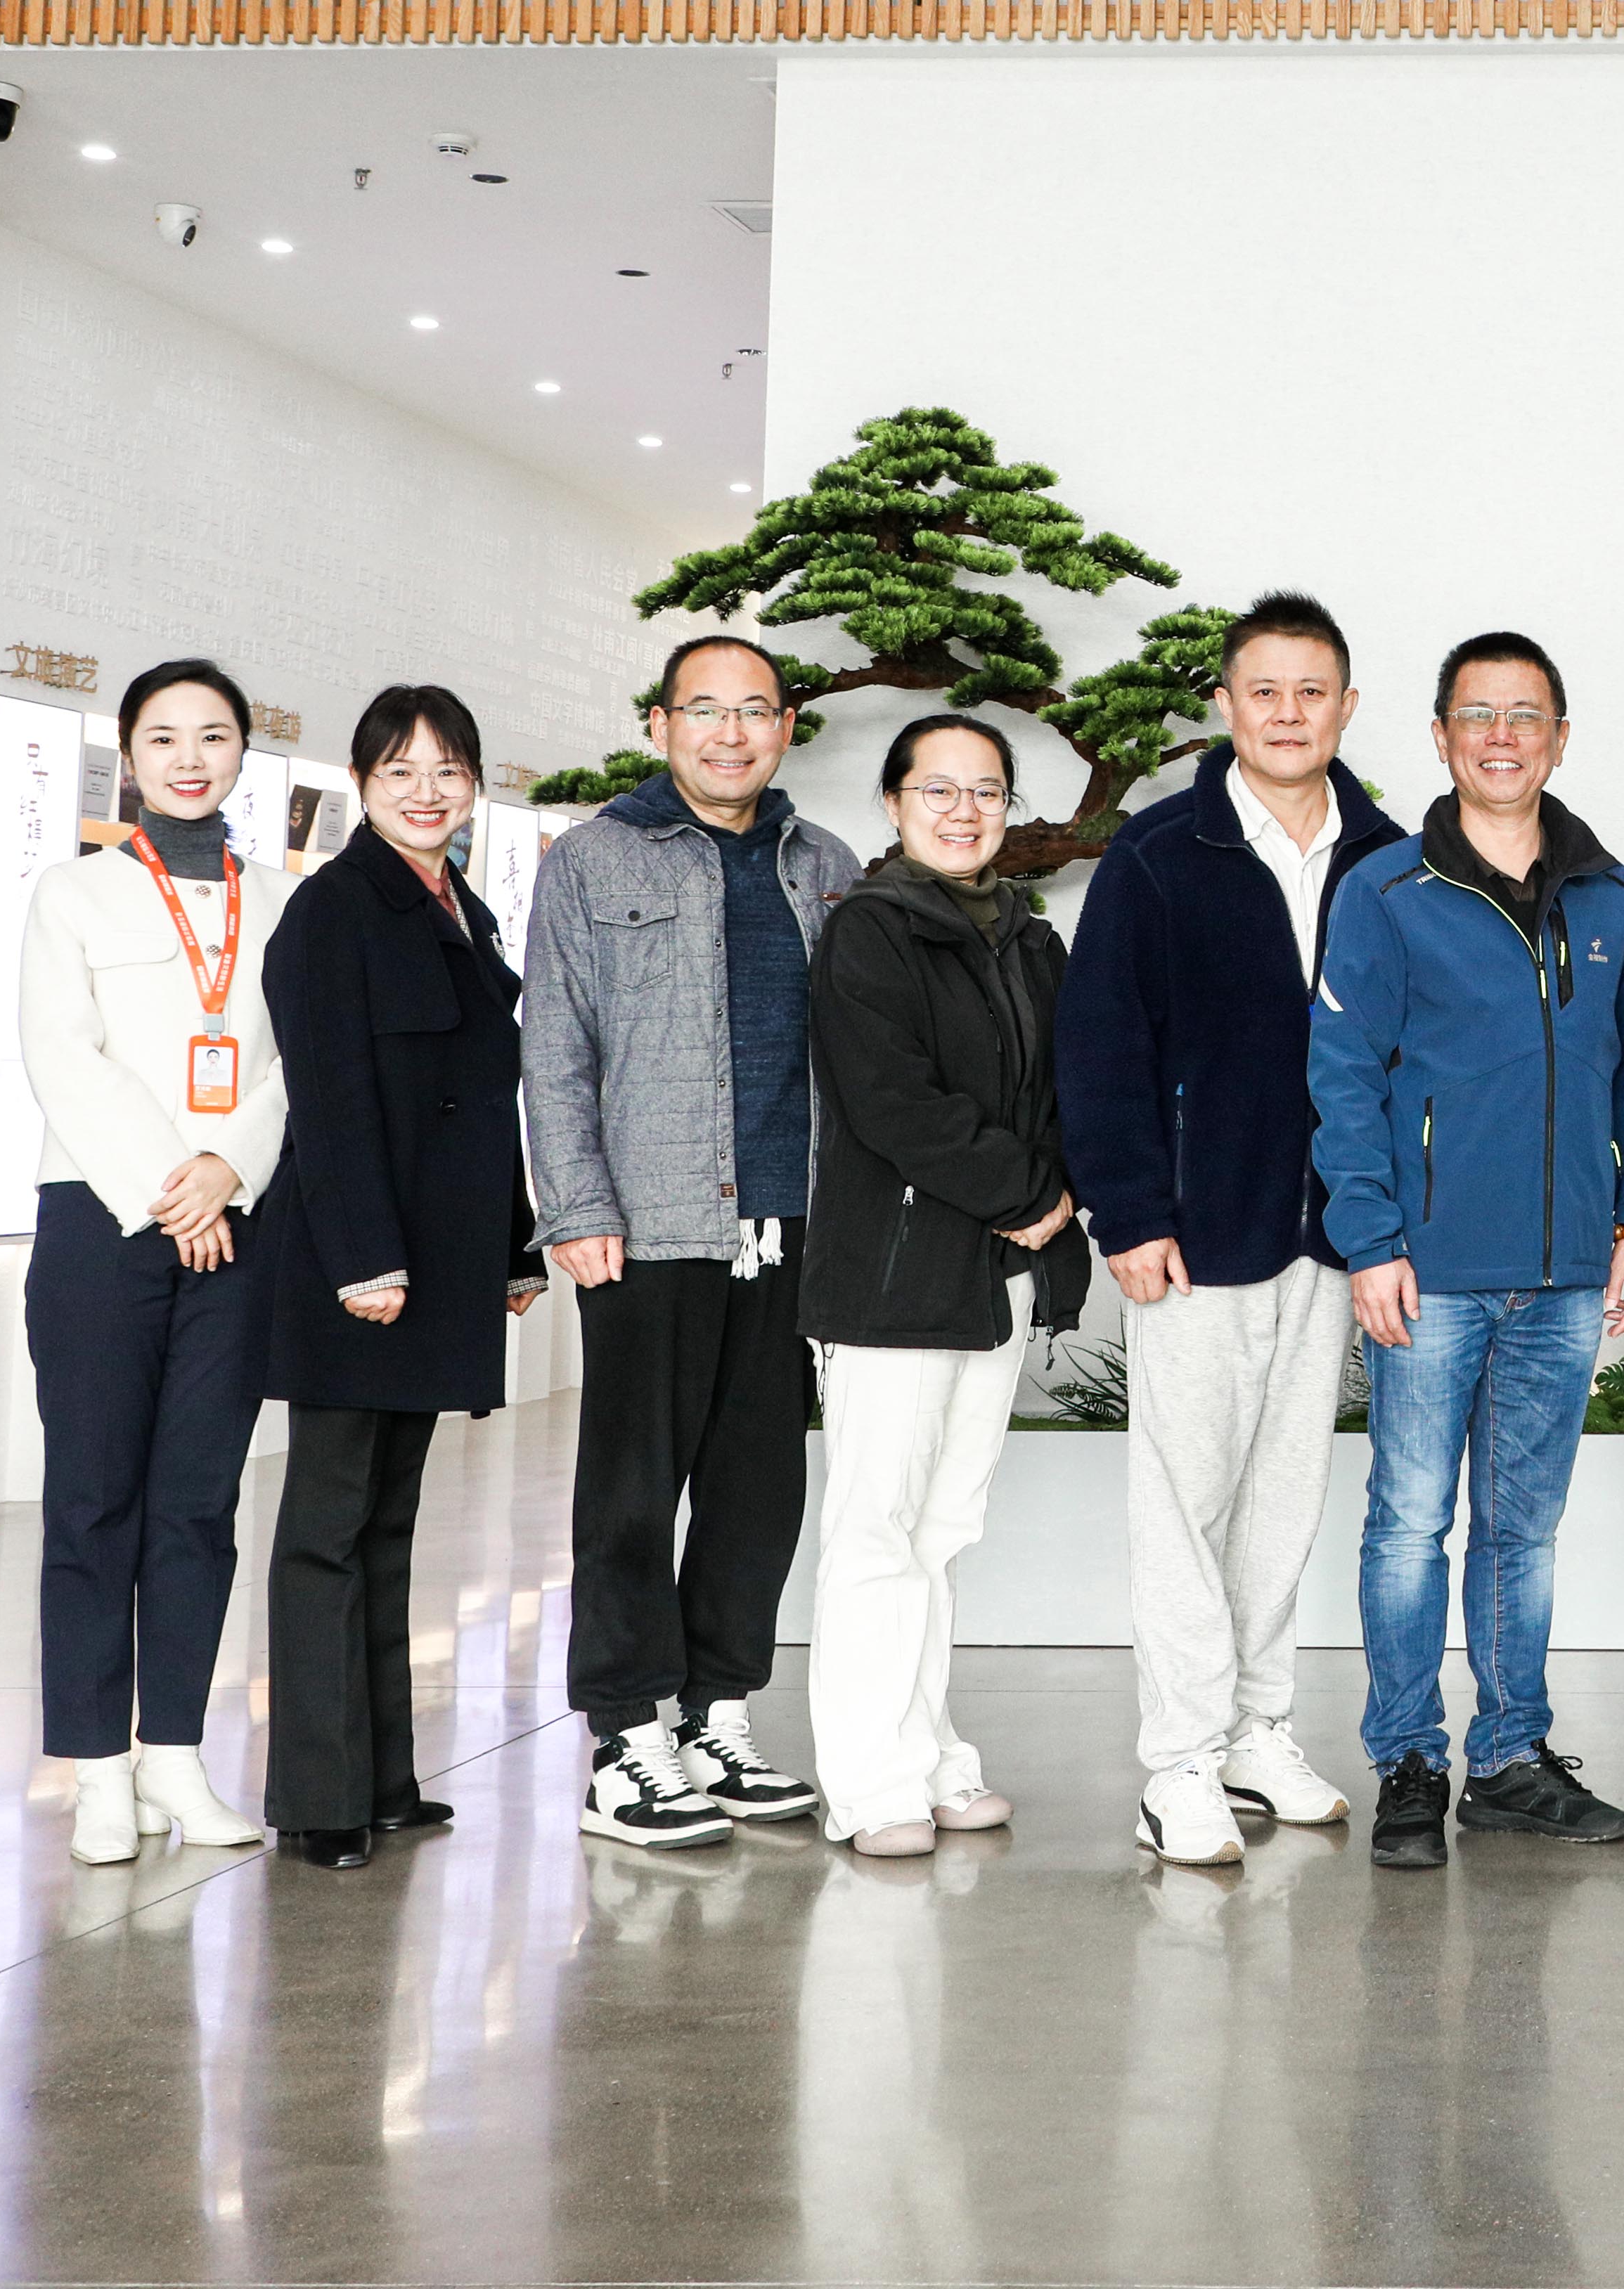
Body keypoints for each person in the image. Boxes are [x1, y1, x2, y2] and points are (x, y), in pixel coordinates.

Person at [1050, 591, 1410, 1866]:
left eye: (1312, 692)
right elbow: (1100, 1045)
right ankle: (1181, 1762)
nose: (1288, 714)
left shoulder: (1392, 858)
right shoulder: (1157, 854)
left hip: (1334, 1236)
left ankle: (1259, 1729)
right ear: (1225, 704)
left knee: (1284, 1504)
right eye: (1265, 691)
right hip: (1195, 1239)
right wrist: (1129, 1213)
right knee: (1185, 1505)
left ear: (1348, 707)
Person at [1306, 631, 1624, 1868]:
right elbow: (1343, 1075)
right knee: (1409, 1522)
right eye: (1479, 714)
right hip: (1429, 1270)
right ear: (1441, 736)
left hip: (1568, 1273)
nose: (1502, 737)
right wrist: (1371, 1239)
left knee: (1524, 1529)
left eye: (1527, 716)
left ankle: (1511, 1758)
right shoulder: (1386, 890)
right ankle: (1409, 1758)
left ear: (1560, 738)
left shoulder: (1611, 894)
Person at [522, 630, 863, 1848]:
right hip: (650, 1224)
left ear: (785, 729)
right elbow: (555, 1044)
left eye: (755, 710)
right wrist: (577, 1207)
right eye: (705, 710)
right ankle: (627, 1741)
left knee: (756, 1490)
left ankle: (719, 1716)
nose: (732, 733)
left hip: (792, 1224)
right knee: (630, 1494)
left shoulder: (826, 864)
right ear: (660, 725)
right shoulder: (592, 858)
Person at [250, 683, 543, 1869]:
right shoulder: (332, 910)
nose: (426, 793)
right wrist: (364, 1258)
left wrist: (512, 1244)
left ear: (473, 784)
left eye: (447, 772)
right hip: (360, 1267)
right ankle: (318, 1798)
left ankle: (380, 1778)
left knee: (387, 1521)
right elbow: (327, 1102)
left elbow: (479, 1101)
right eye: (399, 772)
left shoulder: (462, 906)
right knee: (327, 1524)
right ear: (361, 783)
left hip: (437, 1260)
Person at [15, 656, 292, 1866]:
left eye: (213, 736)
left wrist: (227, 1169)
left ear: (242, 754)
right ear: (128, 756)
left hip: (237, 1221)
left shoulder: (283, 902)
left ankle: (175, 1754)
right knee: (92, 1499)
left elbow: (295, 1062)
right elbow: (60, 1055)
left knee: (198, 1502)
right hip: (101, 1219)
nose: (189, 758)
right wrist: (174, 1189)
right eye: (164, 738)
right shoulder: (73, 893)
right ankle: (95, 1770)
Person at [802, 715, 1080, 1857]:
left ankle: (927, 1755)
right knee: (876, 1531)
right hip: (896, 1276)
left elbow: (1071, 1086)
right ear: (894, 803)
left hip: (997, 1274)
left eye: (987, 792)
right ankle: (870, 1784)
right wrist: (1030, 1191)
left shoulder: (1029, 939)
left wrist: (1054, 1193)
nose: (965, 812)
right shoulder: (868, 930)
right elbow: (892, 1101)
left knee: (943, 1529)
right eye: (939, 791)